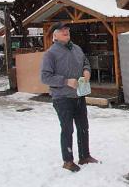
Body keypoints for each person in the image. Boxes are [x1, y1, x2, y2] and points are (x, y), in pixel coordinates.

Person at [40, 22, 98, 172]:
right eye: (62, 30)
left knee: (83, 127)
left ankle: (85, 156)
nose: (66, 31)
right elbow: (45, 77)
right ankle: (68, 161)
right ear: (55, 35)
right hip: (62, 98)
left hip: (78, 96)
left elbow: (86, 63)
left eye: (67, 29)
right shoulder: (50, 54)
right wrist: (65, 81)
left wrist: (87, 71)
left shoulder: (77, 49)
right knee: (67, 129)